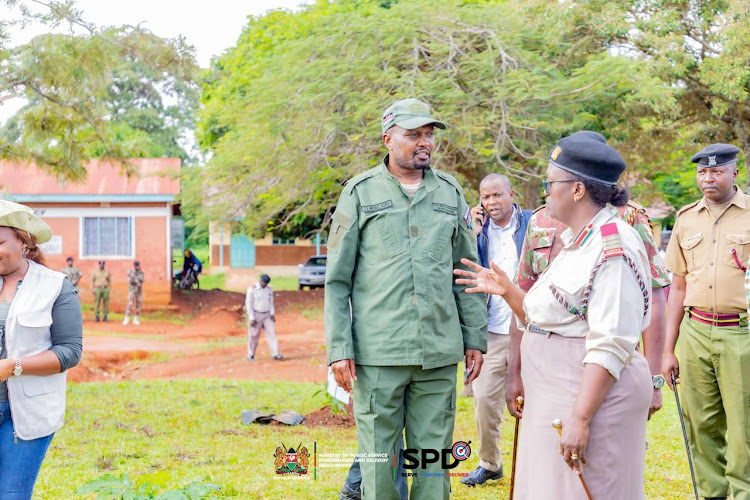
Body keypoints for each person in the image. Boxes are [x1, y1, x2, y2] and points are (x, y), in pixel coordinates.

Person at [456, 134, 653, 499]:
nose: (545, 192)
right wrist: (508, 291)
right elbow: (551, 316)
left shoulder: (613, 246)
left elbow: (610, 342)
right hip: (556, 393)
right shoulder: (579, 240)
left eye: (549, 183)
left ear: (577, 190)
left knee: (587, 490)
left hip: (587, 401)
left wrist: (580, 419)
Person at [326, 98, 487, 500]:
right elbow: (337, 281)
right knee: (380, 464)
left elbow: (466, 272)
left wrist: (475, 339)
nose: (425, 142)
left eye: (429, 134)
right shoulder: (360, 193)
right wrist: (339, 348)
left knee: (433, 464)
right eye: (414, 134)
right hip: (378, 354)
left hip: (437, 352)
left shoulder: (450, 193)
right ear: (388, 138)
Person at [505, 131, 670, 422]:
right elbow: (527, 295)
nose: (547, 188)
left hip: (605, 371)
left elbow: (653, 299)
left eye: (551, 181)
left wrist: (654, 379)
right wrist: (515, 371)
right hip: (550, 374)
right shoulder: (542, 219)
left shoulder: (624, 223)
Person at [662, 143, 750, 500]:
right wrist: (668, 350)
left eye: (716, 171)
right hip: (695, 332)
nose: (708, 178)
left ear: (734, 173)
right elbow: (677, 287)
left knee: (743, 427)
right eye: (702, 172)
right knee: (700, 423)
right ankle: (712, 494)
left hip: (740, 333)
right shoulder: (686, 219)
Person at [0, 199, 83, 498]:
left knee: (11, 493)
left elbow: (70, 351)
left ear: (23, 241)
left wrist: (12, 366)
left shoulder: (54, 286)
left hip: (24, 411)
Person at [461, 173, 531, 487]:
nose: (492, 203)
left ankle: (537, 466)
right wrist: (471, 231)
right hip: (491, 332)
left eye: (497, 195)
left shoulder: (532, 224)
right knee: (485, 402)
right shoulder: (479, 233)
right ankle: (490, 464)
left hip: (529, 329)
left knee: (535, 400)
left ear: (512, 194)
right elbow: (465, 271)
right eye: (486, 197)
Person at [245, 274, 282, 361]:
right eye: (264, 283)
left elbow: (271, 302)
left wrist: (272, 313)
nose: (265, 285)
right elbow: (249, 304)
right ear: (260, 281)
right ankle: (250, 355)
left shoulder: (269, 290)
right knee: (254, 335)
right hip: (256, 314)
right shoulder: (252, 290)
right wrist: (252, 318)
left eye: (266, 283)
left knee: (272, 333)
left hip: (267, 314)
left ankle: (275, 354)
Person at [123, 260, 144, 326]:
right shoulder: (130, 271)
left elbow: (142, 280)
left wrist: (136, 281)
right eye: (136, 265)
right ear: (134, 265)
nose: (137, 267)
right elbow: (130, 281)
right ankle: (126, 318)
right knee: (130, 304)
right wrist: (137, 281)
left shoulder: (141, 273)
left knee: (138, 304)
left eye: (138, 265)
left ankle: (136, 319)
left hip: (139, 291)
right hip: (132, 290)